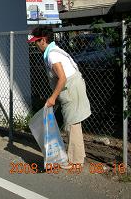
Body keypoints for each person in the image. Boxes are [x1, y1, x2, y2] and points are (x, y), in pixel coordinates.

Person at [28, 26, 91, 166]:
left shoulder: (52, 55)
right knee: (72, 123)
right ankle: (77, 156)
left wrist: (52, 98)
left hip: (70, 89)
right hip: (71, 87)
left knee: (72, 124)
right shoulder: (53, 51)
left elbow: (62, 78)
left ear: (43, 40)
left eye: (36, 41)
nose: (35, 44)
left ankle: (76, 161)